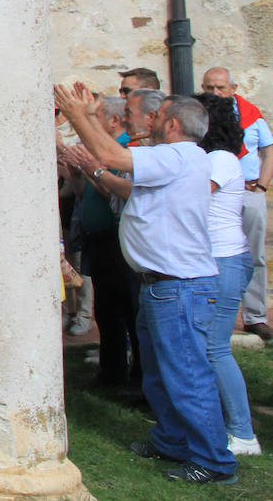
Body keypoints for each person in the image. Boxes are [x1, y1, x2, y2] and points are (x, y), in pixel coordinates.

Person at [56, 83, 237, 484]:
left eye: (152, 115)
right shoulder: (170, 157)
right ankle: (172, 440)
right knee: (159, 372)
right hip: (162, 285)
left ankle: (213, 460)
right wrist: (87, 120)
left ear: (171, 124)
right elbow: (122, 184)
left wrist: (75, 116)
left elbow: (109, 155)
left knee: (188, 374)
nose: (147, 119)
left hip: (179, 286)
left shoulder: (177, 155)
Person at [193, 92, 260, 456]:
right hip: (216, 261)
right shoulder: (212, 158)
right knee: (207, 347)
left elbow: (194, 195)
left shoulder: (219, 159)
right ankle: (221, 423)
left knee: (215, 348)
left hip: (224, 261)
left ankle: (244, 434)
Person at [60, 97, 141, 392]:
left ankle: (134, 377)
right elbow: (88, 194)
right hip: (98, 238)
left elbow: (118, 195)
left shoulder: (123, 150)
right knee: (106, 311)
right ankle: (111, 371)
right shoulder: (108, 150)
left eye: (98, 117)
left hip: (115, 238)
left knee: (126, 309)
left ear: (113, 121)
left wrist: (94, 170)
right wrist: (78, 176)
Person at [200, 67, 273, 342]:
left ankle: (255, 316)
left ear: (232, 88)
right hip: (215, 193)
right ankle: (213, 311)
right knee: (214, 249)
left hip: (248, 190)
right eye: (209, 87)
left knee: (255, 254)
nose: (214, 93)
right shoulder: (200, 115)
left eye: (219, 87)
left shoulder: (252, 115)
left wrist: (263, 186)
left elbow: (269, 150)